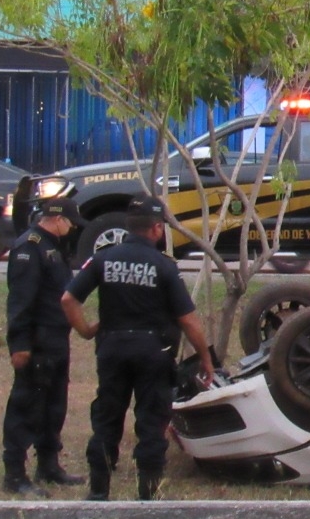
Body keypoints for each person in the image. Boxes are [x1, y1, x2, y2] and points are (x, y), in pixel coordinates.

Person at [61, 195, 214, 502]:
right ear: (157, 229)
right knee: (151, 420)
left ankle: (99, 491)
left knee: (107, 417)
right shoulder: (164, 266)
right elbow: (188, 319)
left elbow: (68, 299)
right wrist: (206, 359)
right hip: (152, 352)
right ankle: (147, 493)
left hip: (112, 348)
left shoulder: (104, 258)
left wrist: (86, 330)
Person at [1, 198, 87, 495]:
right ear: (58, 218)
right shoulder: (31, 247)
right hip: (37, 340)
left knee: (53, 405)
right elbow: (20, 301)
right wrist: (20, 343)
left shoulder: (53, 245)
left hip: (56, 338)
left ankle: (48, 465)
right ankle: (14, 473)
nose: (73, 227)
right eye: (71, 222)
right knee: (27, 405)